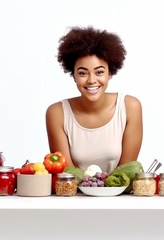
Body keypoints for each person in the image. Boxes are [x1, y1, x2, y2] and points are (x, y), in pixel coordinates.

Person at [46, 26, 143, 173]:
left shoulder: (130, 107)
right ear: (73, 75)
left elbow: (125, 172)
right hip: (75, 195)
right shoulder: (57, 113)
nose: (92, 80)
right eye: (83, 73)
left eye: (99, 72)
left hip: (120, 194)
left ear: (110, 73)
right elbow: (69, 175)